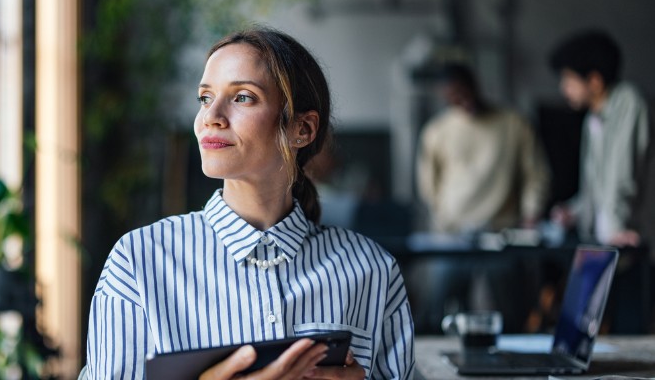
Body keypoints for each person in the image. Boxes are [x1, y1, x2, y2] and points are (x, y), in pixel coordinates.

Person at [84, 27, 414, 379]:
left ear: (302, 129)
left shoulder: (372, 270)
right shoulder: (138, 261)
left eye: (242, 97)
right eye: (205, 97)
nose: (211, 116)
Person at [548, 29, 655, 333]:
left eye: (569, 79)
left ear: (594, 81)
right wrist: (573, 210)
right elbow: (594, 188)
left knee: (630, 333)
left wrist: (616, 228)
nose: (564, 88)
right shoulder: (593, 119)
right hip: (605, 246)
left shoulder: (629, 104)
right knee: (584, 335)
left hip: (634, 247)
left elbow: (623, 178)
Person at [417, 64, 550, 234]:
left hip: (501, 230)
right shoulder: (436, 131)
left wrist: (532, 211)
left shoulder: (515, 124)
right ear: (444, 97)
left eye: (465, 92)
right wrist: (442, 215)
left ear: (475, 85)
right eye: (454, 98)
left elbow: (536, 173)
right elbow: (428, 184)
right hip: (452, 231)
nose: (463, 100)